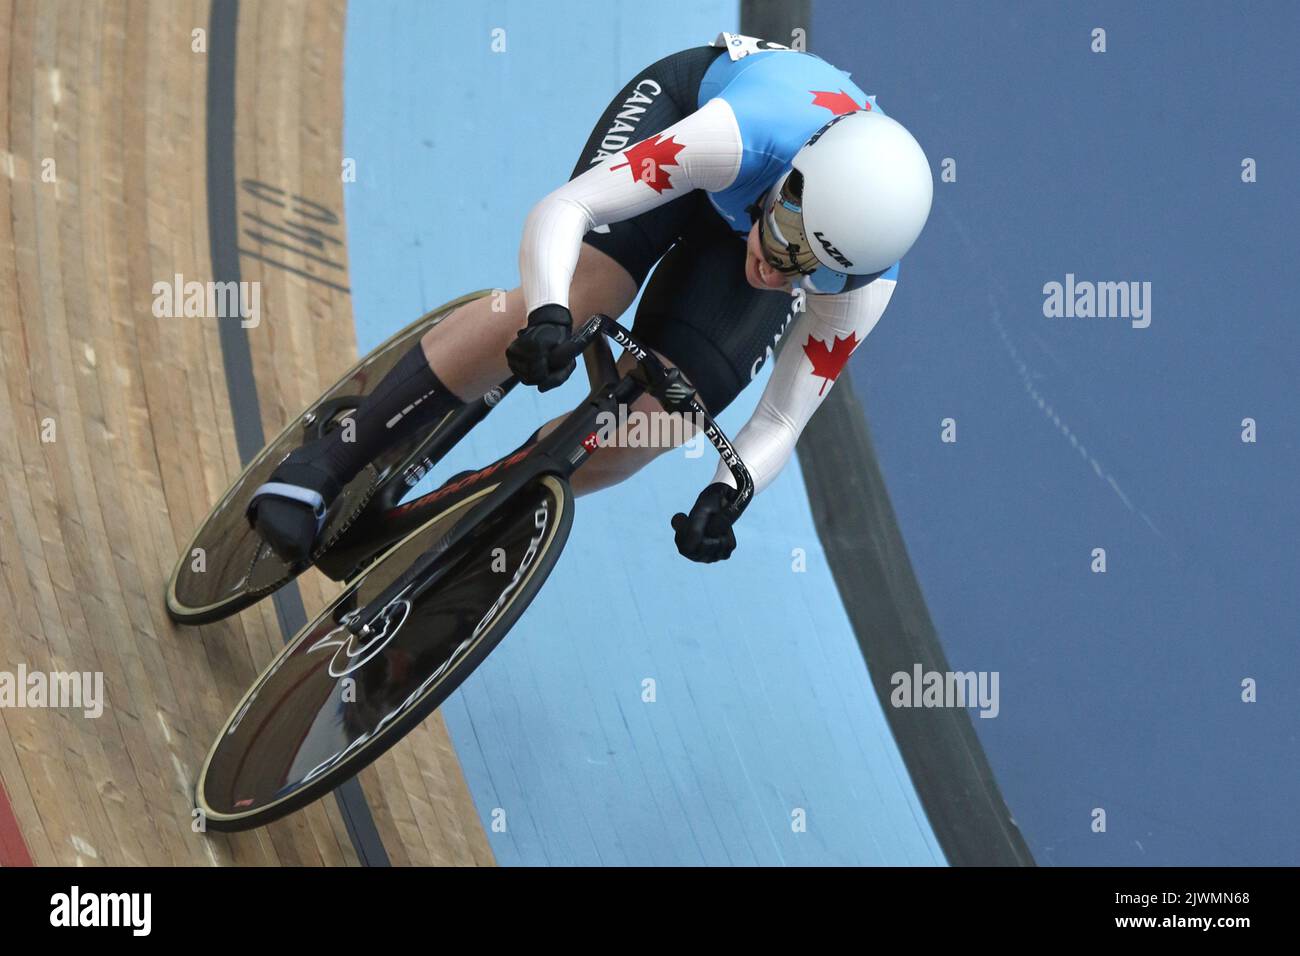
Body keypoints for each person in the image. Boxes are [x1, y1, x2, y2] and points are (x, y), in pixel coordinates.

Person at [248, 32, 933, 565]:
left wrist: (729, 496)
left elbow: (782, 423)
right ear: (792, 184)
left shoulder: (862, 286)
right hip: (692, 115)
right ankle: (327, 461)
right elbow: (567, 208)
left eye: (812, 277)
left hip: (752, 206)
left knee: (667, 419)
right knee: (581, 294)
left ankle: (462, 531)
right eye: (787, 241)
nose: (779, 275)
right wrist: (546, 311)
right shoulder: (737, 135)